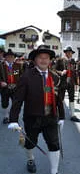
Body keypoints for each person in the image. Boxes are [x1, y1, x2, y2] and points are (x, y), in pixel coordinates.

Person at [8, 45, 65, 174]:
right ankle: (30, 159)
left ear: (50, 60)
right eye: (41, 57)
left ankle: (54, 171)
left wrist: (62, 117)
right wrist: (13, 120)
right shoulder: (27, 76)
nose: (44, 60)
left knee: (54, 144)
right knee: (30, 143)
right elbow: (18, 100)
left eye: (47, 58)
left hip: (50, 117)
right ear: (35, 60)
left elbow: (59, 98)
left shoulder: (55, 77)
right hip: (32, 117)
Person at [54, 46, 79, 122]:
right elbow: (54, 70)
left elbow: (74, 72)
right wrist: (61, 72)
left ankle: (73, 115)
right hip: (62, 82)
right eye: (68, 52)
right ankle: (59, 114)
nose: (69, 54)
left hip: (71, 83)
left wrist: (76, 83)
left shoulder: (73, 61)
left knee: (72, 98)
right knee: (60, 98)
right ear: (65, 53)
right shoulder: (60, 60)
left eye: (71, 52)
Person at [0, 49, 23, 124]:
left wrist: (19, 84)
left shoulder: (18, 66)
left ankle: (12, 117)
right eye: (9, 57)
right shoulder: (1, 66)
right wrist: (1, 82)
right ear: (5, 57)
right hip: (5, 88)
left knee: (15, 103)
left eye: (12, 57)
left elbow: (21, 76)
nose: (10, 58)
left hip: (15, 88)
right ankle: (6, 116)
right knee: (5, 103)